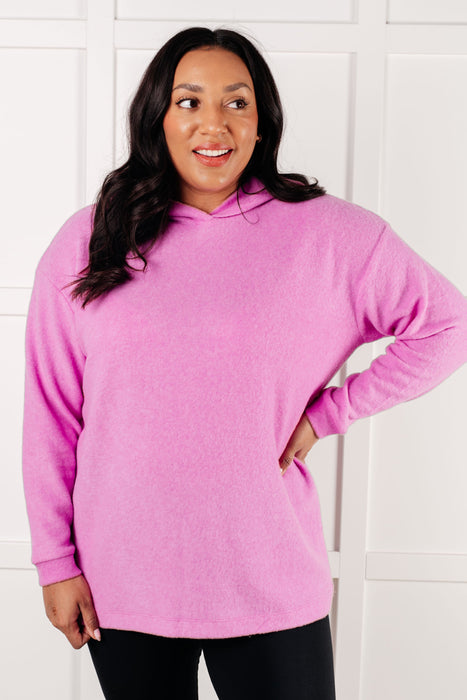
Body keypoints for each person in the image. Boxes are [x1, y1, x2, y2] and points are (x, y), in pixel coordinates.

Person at [21, 25, 467, 700]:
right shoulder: (91, 237)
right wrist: (55, 562)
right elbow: (51, 411)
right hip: (122, 580)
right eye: (189, 102)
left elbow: (447, 324)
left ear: (262, 123)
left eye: (237, 102)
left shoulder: (330, 235)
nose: (214, 124)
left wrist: (328, 414)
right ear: (158, 117)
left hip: (269, 576)